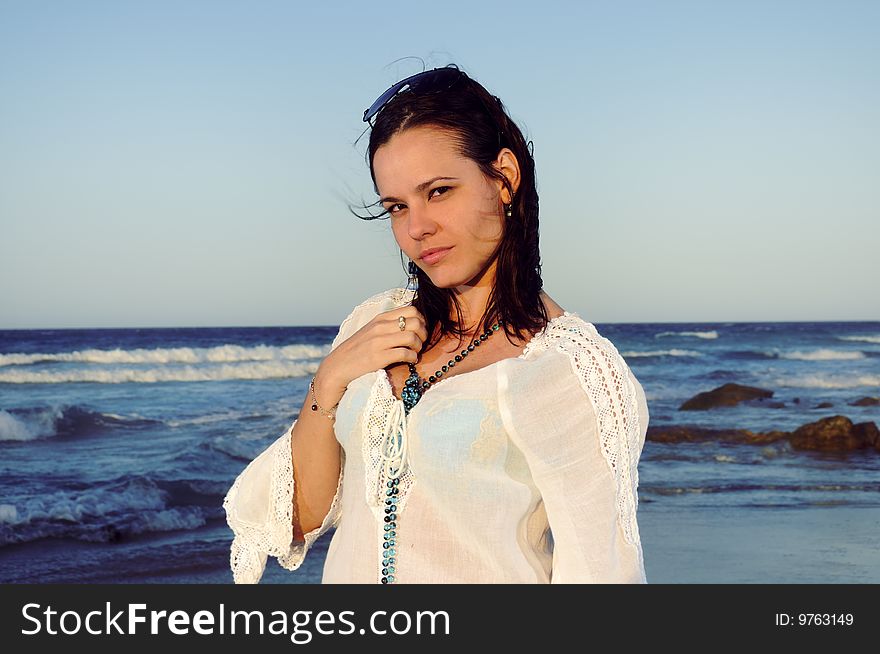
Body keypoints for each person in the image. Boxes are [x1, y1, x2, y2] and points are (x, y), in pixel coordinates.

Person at [222, 64, 650, 584]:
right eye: (397, 206)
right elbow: (298, 518)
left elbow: (600, 576)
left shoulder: (571, 368)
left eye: (440, 191)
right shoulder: (375, 322)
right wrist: (330, 379)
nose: (418, 227)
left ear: (505, 179)